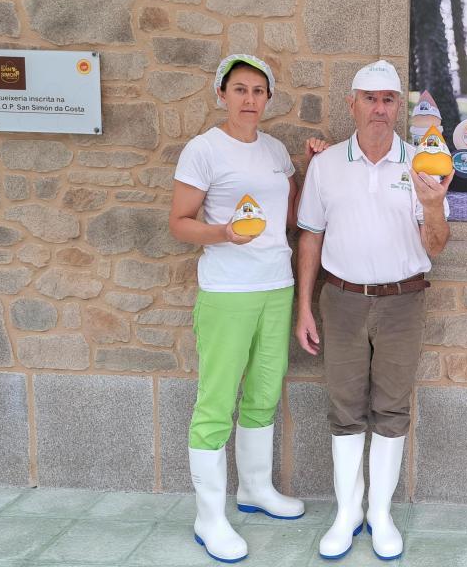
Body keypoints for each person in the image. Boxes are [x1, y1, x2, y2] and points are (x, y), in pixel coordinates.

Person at [294, 59, 451, 561]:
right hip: (339, 299)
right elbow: (310, 237)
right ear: (352, 103)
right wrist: (304, 306)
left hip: (403, 300)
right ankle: (347, 512)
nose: (379, 108)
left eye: (388, 99)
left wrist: (430, 205)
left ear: (398, 106)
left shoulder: (422, 163)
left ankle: (379, 513)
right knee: (344, 409)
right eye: (369, 98)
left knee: (391, 409)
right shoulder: (326, 164)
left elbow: (439, 245)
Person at [169, 54, 305, 564]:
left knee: (265, 392)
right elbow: (180, 221)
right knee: (216, 401)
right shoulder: (203, 149)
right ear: (222, 94)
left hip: (277, 285)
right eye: (240, 89)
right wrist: (222, 233)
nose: (250, 100)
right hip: (227, 291)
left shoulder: (275, 150)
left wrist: (310, 168)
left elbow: (289, 217)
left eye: (258, 91)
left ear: (268, 99)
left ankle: (255, 490)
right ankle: (209, 517)